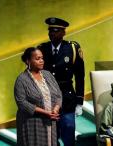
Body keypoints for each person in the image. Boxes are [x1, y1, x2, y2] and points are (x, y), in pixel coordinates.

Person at [38, 17, 85, 146]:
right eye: (50, 30)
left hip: (67, 96)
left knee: (68, 129)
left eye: (56, 30)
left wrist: (79, 101)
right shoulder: (42, 49)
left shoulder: (73, 48)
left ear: (64, 32)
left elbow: (80, 76)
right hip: (48, 97)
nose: (52, 33)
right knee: (51, 134)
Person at [14, 47, 62, 146]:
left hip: (50, 121)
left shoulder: (47, 75)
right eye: (37, 59)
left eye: (42, 58)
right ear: (28, 61)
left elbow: (58, 94)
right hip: (31, 124)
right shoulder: (21, 80)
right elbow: (22, 103)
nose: (41, 61)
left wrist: (56, 109)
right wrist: (45, 113)